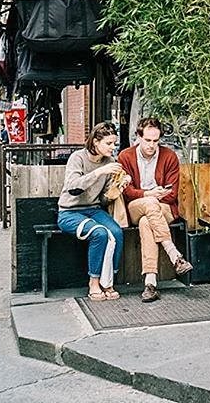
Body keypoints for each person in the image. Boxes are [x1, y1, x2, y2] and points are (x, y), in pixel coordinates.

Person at [118, 117, 193, 302]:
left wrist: (152, 196)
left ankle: (150, 283)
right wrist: (148, 193)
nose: (151, 145)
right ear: (138, 137)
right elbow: (126, 192)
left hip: (164, 207)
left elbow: (171, 194)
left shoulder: (169, 156)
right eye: (147, 140)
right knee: (150, 203)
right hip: (136, 206)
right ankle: (174, 254)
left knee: (147, 222)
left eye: (155, 140)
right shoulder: (125, 156)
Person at [57, 122, 127, 301]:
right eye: (108, 143)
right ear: (96, 142)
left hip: (94, 210)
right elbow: (73, 187)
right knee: (99, 233)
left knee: (117, 232)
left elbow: (102, 199)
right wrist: (99, 172)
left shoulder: (110, 162)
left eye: (114, 143)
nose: (113, 147)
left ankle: (108, 281)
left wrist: (116, 188)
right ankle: (94, 282)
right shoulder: (78, 158)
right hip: (69, 212)